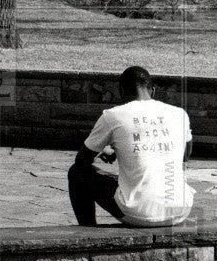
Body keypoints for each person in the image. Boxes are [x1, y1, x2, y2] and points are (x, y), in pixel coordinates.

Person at [68, 66, 195, 227]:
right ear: (153, 91)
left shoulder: (113, 115)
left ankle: (88, 232)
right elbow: (185, 156)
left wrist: (106, 150)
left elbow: (81, 161)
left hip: (138, 213)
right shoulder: (179, 113)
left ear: (121, 91)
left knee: (76, 173)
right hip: (180, 210)